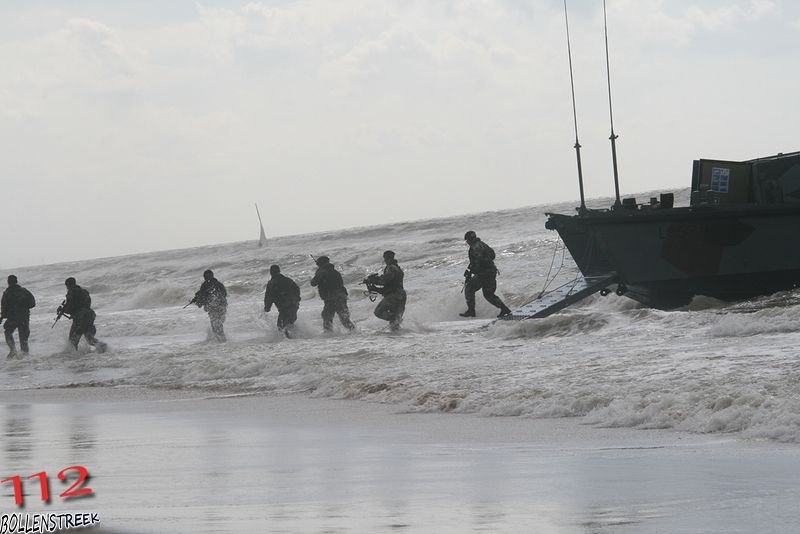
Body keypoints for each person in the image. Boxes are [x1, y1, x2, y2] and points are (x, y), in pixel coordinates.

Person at [460, 230, 512, 318]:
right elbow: (492, 255)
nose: (467, 243)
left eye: (467, 241)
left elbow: (478, 262)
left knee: (469, 288)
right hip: (491, 271)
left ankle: (471, 311)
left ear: (469, 239)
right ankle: (504, 309)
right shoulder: (482, 244)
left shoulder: (475, 247)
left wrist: (471, 273)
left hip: (484, 274)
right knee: (488, 294)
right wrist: (470, 270)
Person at [59, 277, 107, 352]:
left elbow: (70, 307)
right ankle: (103, 347)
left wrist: (62, 310)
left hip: (81, 318)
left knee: (72, 341)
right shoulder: (84, 291)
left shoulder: (71, 292)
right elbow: (86, 304)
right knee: (89, 338)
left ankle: (73, 358)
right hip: (90, 315)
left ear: (68, 285)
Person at [310, 256, 355, 332]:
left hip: (331, 298)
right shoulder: (335, 271)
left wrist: (317, 273)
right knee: (344, 319)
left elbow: (313, 283)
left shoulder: (321, 272)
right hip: (341, 296)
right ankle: (354, 331)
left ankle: (328, 334)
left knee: (327, 317)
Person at [365, 250, 406, 331]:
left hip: (395, 296)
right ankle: (398, 336)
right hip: (399, 295)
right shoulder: (396, 267)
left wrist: (373, 280)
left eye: (386, 258)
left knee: (378, 312)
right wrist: (374, 288)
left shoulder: (391, 268)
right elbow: (387, 287)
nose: (385, 260)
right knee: (394, 327)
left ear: (387, 258)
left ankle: (395, 319)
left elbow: (385, 281)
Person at [1, 275, 36, 359]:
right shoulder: (24, 291)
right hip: (24, 318)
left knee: (8, 332)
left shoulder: (6, 293)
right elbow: (32, 303)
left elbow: (4, 309)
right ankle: (25, 358)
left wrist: (3, 316)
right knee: (23, 339)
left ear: (8, 282)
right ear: (16, 281)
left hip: (12, 319)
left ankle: (12, 350)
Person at [264, 265, 301, 338]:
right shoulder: (288, 280)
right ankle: (301, 336)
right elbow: (297, 289)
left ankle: (290, 340)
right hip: (294, 305)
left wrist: (267, 307)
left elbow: (268, 297)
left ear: (271, 272)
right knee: (290, 323)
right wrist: (297, 299)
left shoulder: (271, 283)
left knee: (281, 326)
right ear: (279, 271)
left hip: (284, 307)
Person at [192, 269, 228, 342]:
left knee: (215, 325)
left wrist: (197, 301)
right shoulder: (219, 284)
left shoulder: (204, 286)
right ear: (213, 275)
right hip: (222, 306)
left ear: (204, 278)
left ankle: (221, 342)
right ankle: (223, 341)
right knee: (219, 324)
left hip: (213, 307)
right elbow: (224, 294)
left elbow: (201, 300)